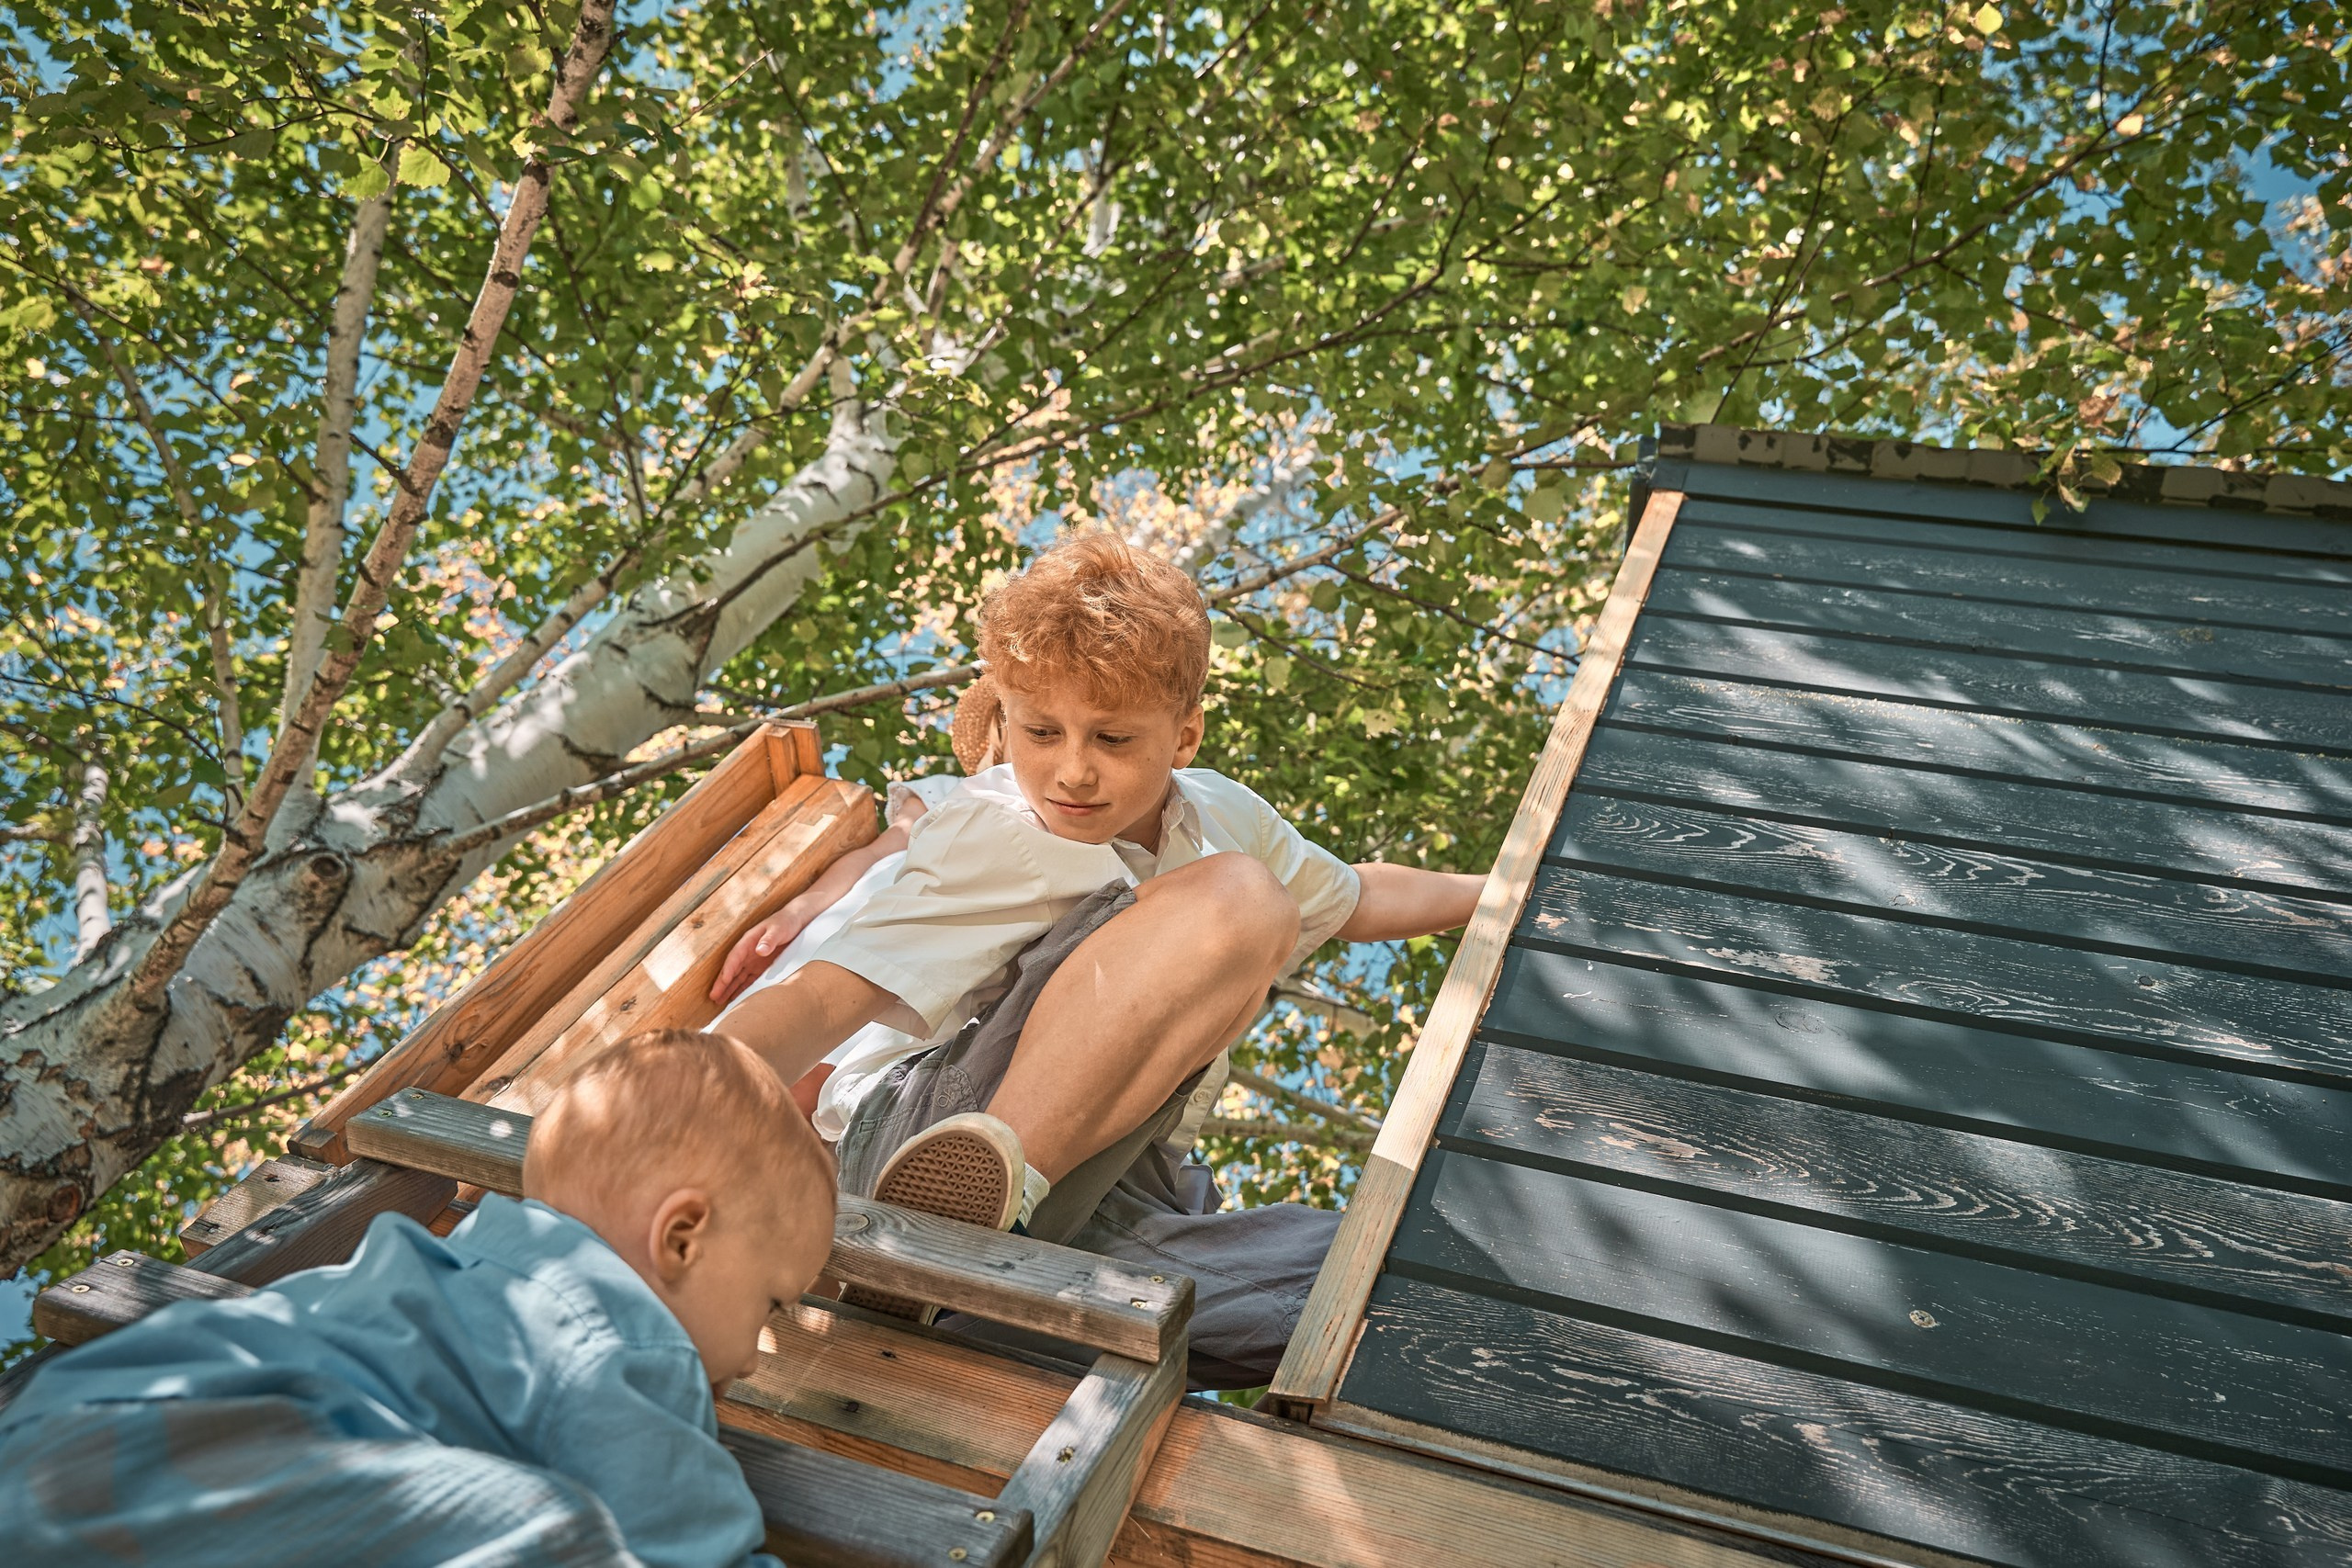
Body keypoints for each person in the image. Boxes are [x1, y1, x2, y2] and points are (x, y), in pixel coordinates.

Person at [717, 532, 1483, 1385]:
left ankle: (973, 1291)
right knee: (1242, 898)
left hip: (1112, 1186)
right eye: (1041, 732)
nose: (1072, 771)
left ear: (1184, 736)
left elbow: (1357, 896)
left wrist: (1505, 891)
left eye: (1113, 739)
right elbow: (825, 996)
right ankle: (960, 1220)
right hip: (917, 1143)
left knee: (1415, 1282)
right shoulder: (992, 830)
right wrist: (667, 1107)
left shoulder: (1229, 817)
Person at [0, 1032, 834, 1568]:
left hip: (66, 1432)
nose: (754, 1358)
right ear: (681, 1237)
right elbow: (691, 1543)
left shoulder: (427, 1269)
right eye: (769, 1303)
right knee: (563, 1532)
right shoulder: (620, 1332)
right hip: (265, 1472)